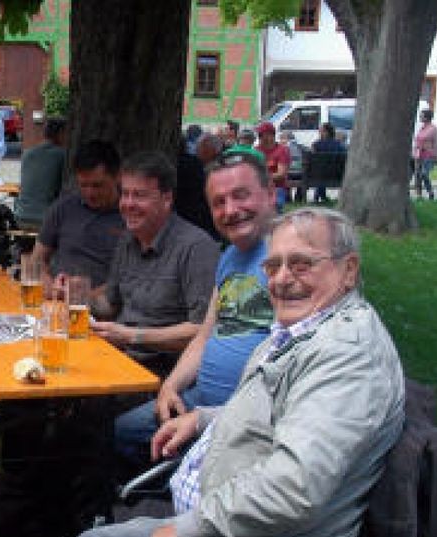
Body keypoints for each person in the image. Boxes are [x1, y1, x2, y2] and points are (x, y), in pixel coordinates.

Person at [27, 207, 406, 537]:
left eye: (302, 264)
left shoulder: (345, 358)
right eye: (274, 265)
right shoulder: (313, 330)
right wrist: (205, 419)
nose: (283, 279)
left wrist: (187, 529)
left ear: (348, 270)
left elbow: (294, 487)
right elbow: (287, 415)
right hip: (238, 522)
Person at [115, 151, 276, 470]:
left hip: (240, 415)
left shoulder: (289, 258)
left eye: (241, 196)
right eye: (218, 202)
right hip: (195, 396)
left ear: (270, 195)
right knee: (121, 432)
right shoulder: (230, 256)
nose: (230, 210)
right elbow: (203, 337)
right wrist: (170, 387)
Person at [90, 151, 219, 378]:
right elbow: (110, 305)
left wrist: (132, 336)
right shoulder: (129, 239)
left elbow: (201, 331)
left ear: (166, 198)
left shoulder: (196, 247)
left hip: (162, 375)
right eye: (125, 194)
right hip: (120, 361)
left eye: (139, 195)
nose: (128, 204)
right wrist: (74, 296)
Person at [33, 140, 124, 289]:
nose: (90, 193)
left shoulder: (131, 215)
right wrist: (48, 283)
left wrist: (83, 296)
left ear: (118, 176)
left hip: (102, 304)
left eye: (97, 185)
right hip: (59, 299)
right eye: (83, 185)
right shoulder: (64, 207)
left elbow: (129, 279)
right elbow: (37, 259)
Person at [13, 117, 67, 232]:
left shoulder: (27, 153)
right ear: (61, 133)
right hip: (46, 220)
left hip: (20, 216)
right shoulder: (62, 155)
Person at [255, 121, 290, 211]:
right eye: (259, 135)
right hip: (258, 188)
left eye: (261, 134)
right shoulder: (256, 150)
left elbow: (281, 174)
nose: (259, 137)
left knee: (274, 206)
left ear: (271, 135)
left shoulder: (282, 151)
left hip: (277, 188)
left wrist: (262, 177)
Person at [310, 122, 346, 204]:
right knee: (322, 171)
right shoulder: (339, 145)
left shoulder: (316, 145)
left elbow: (312, 161)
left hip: (318, 175)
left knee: (320, 171)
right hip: (337, 175)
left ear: (326, 132)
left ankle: (318, 197)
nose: (319, 133)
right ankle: (323, 197)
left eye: (321, 131)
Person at [413, 109, 437, 201]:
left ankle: (430, 192)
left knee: (424, 174)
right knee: (417, 175)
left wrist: (436, 156)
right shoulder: (421, 128)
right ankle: (419, 195)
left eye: (422, 116)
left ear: (427, 117)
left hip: (429, 155)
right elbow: (417, 141)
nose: (420, 117)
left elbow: (435, 143)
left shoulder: (433, 129)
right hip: (418, 155)